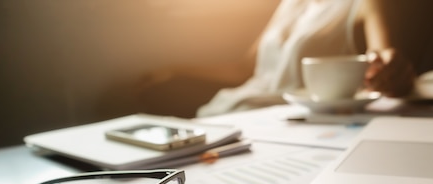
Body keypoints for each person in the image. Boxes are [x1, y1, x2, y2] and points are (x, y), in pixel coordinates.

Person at [143, 0, 416, 117]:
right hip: (229, 110)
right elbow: (242, 69)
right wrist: (175, 70)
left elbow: (383, 57)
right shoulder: (289, 3)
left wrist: (391, 71)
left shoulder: (362, 3)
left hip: (285, 116)